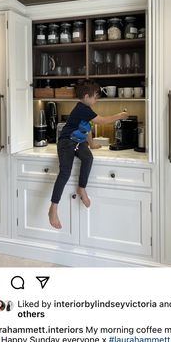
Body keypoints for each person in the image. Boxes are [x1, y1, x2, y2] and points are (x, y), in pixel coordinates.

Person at [48, 79, 128, 229]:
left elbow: (87, 127)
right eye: (95, 97)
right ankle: (53, 208)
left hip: (78, 143)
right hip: (66, 142)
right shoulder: (82, 108)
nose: (96, 99)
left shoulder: (86, 109)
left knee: (88, 158)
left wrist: (91, 144)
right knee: (65, 172)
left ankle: (81, 188)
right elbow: (102, 121)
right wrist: (119, 115)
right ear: (86, 96)